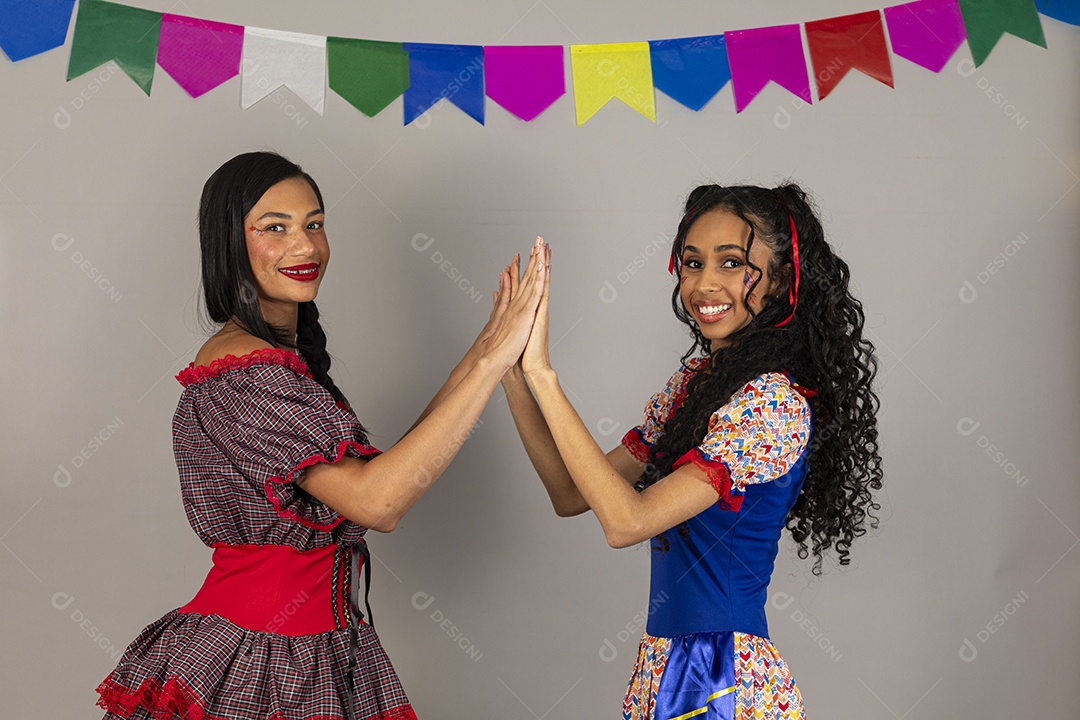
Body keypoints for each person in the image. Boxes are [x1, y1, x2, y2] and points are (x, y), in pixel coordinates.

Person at [95, 151, 547, 720]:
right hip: (263, 654)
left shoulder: (276, 364)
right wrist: (490, 364)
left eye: (313, 224)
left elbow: (384, 472)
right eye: (274, 228)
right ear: (229, 244)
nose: (305, 246)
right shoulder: (245, 375)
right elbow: (378, 501)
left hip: (322, 648)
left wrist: (488, 349)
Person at [503, 183, 883, 719]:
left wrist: (545, 374)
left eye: (732, 263)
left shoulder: (772, 404)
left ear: (782, 279)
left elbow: (626, 522)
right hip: (668, 664)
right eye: (692, 261)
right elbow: (570, 493)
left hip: (719, 678)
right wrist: (514, 372)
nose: (705, 283)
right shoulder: (698, 386)